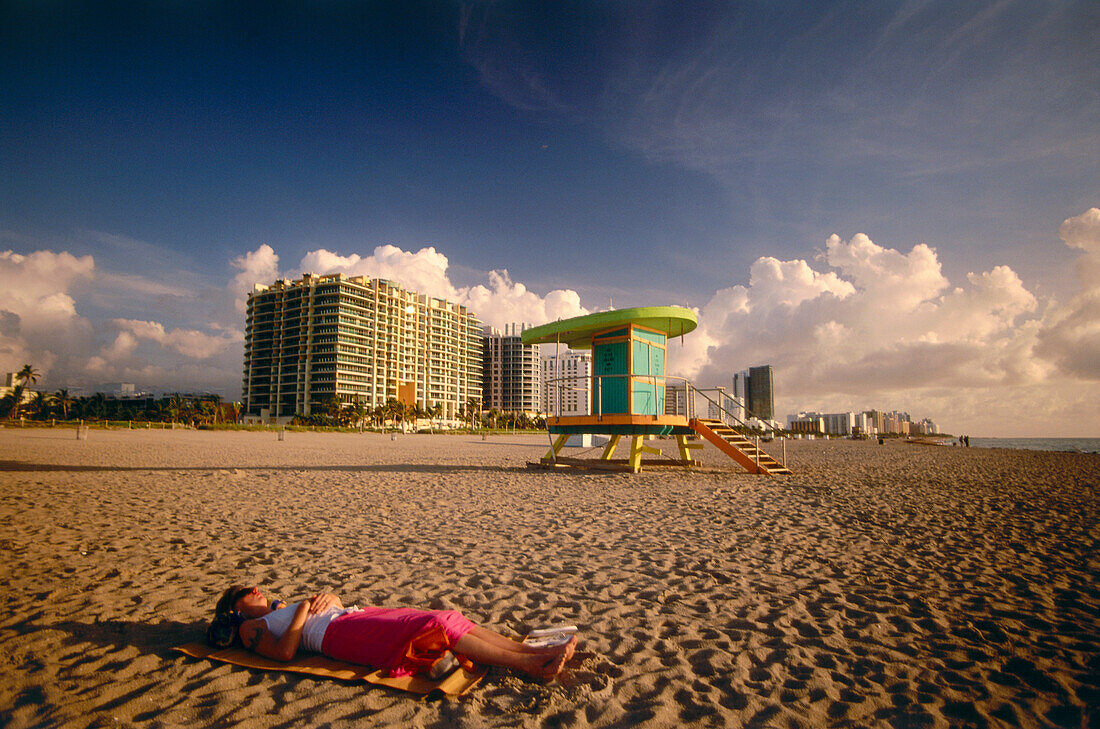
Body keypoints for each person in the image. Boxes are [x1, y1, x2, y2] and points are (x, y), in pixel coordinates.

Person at [209, 585, 576, 679]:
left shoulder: (275, 610)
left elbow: (324, 605)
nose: (258, 591)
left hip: (349, 617)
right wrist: (304, 606)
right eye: (248, 592)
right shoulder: (251, 629)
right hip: (337, 637)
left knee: (448, 615)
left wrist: (329, 597)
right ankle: (527, 664)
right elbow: (286, 652)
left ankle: (527, 650)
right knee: (432, 629)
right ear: (236, 608)